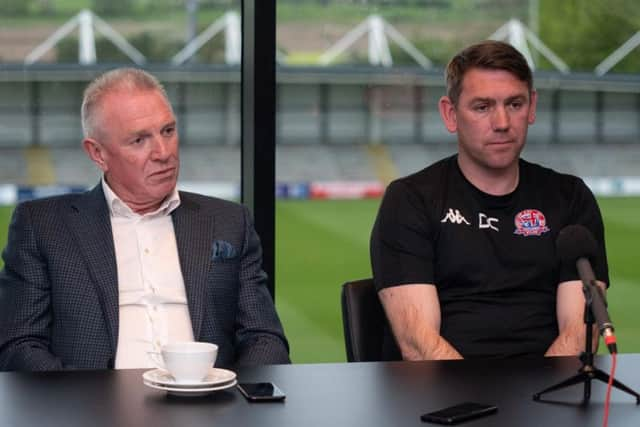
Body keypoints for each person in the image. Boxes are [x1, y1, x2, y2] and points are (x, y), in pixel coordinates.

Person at [0, 68, 290, 371]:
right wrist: (84, 403)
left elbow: (265, 338)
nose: (163, 152)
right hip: (93, 410)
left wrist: (232, 398)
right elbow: (19, 345)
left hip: (210, 407)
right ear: (98, 153)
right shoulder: (43, 226)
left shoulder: (230, 221)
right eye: (139, 140)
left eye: (168, 131)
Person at [370, 40, 609, 361]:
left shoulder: (571, 197)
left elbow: (582, 331)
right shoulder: (410, 200)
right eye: (482, 107)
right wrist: (486, 408)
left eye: (515, 104)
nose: (502, 123)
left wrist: (535, 404)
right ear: (450, 113)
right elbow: (418, 343)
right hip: (445, 399)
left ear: (532, 106)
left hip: (550, 395)